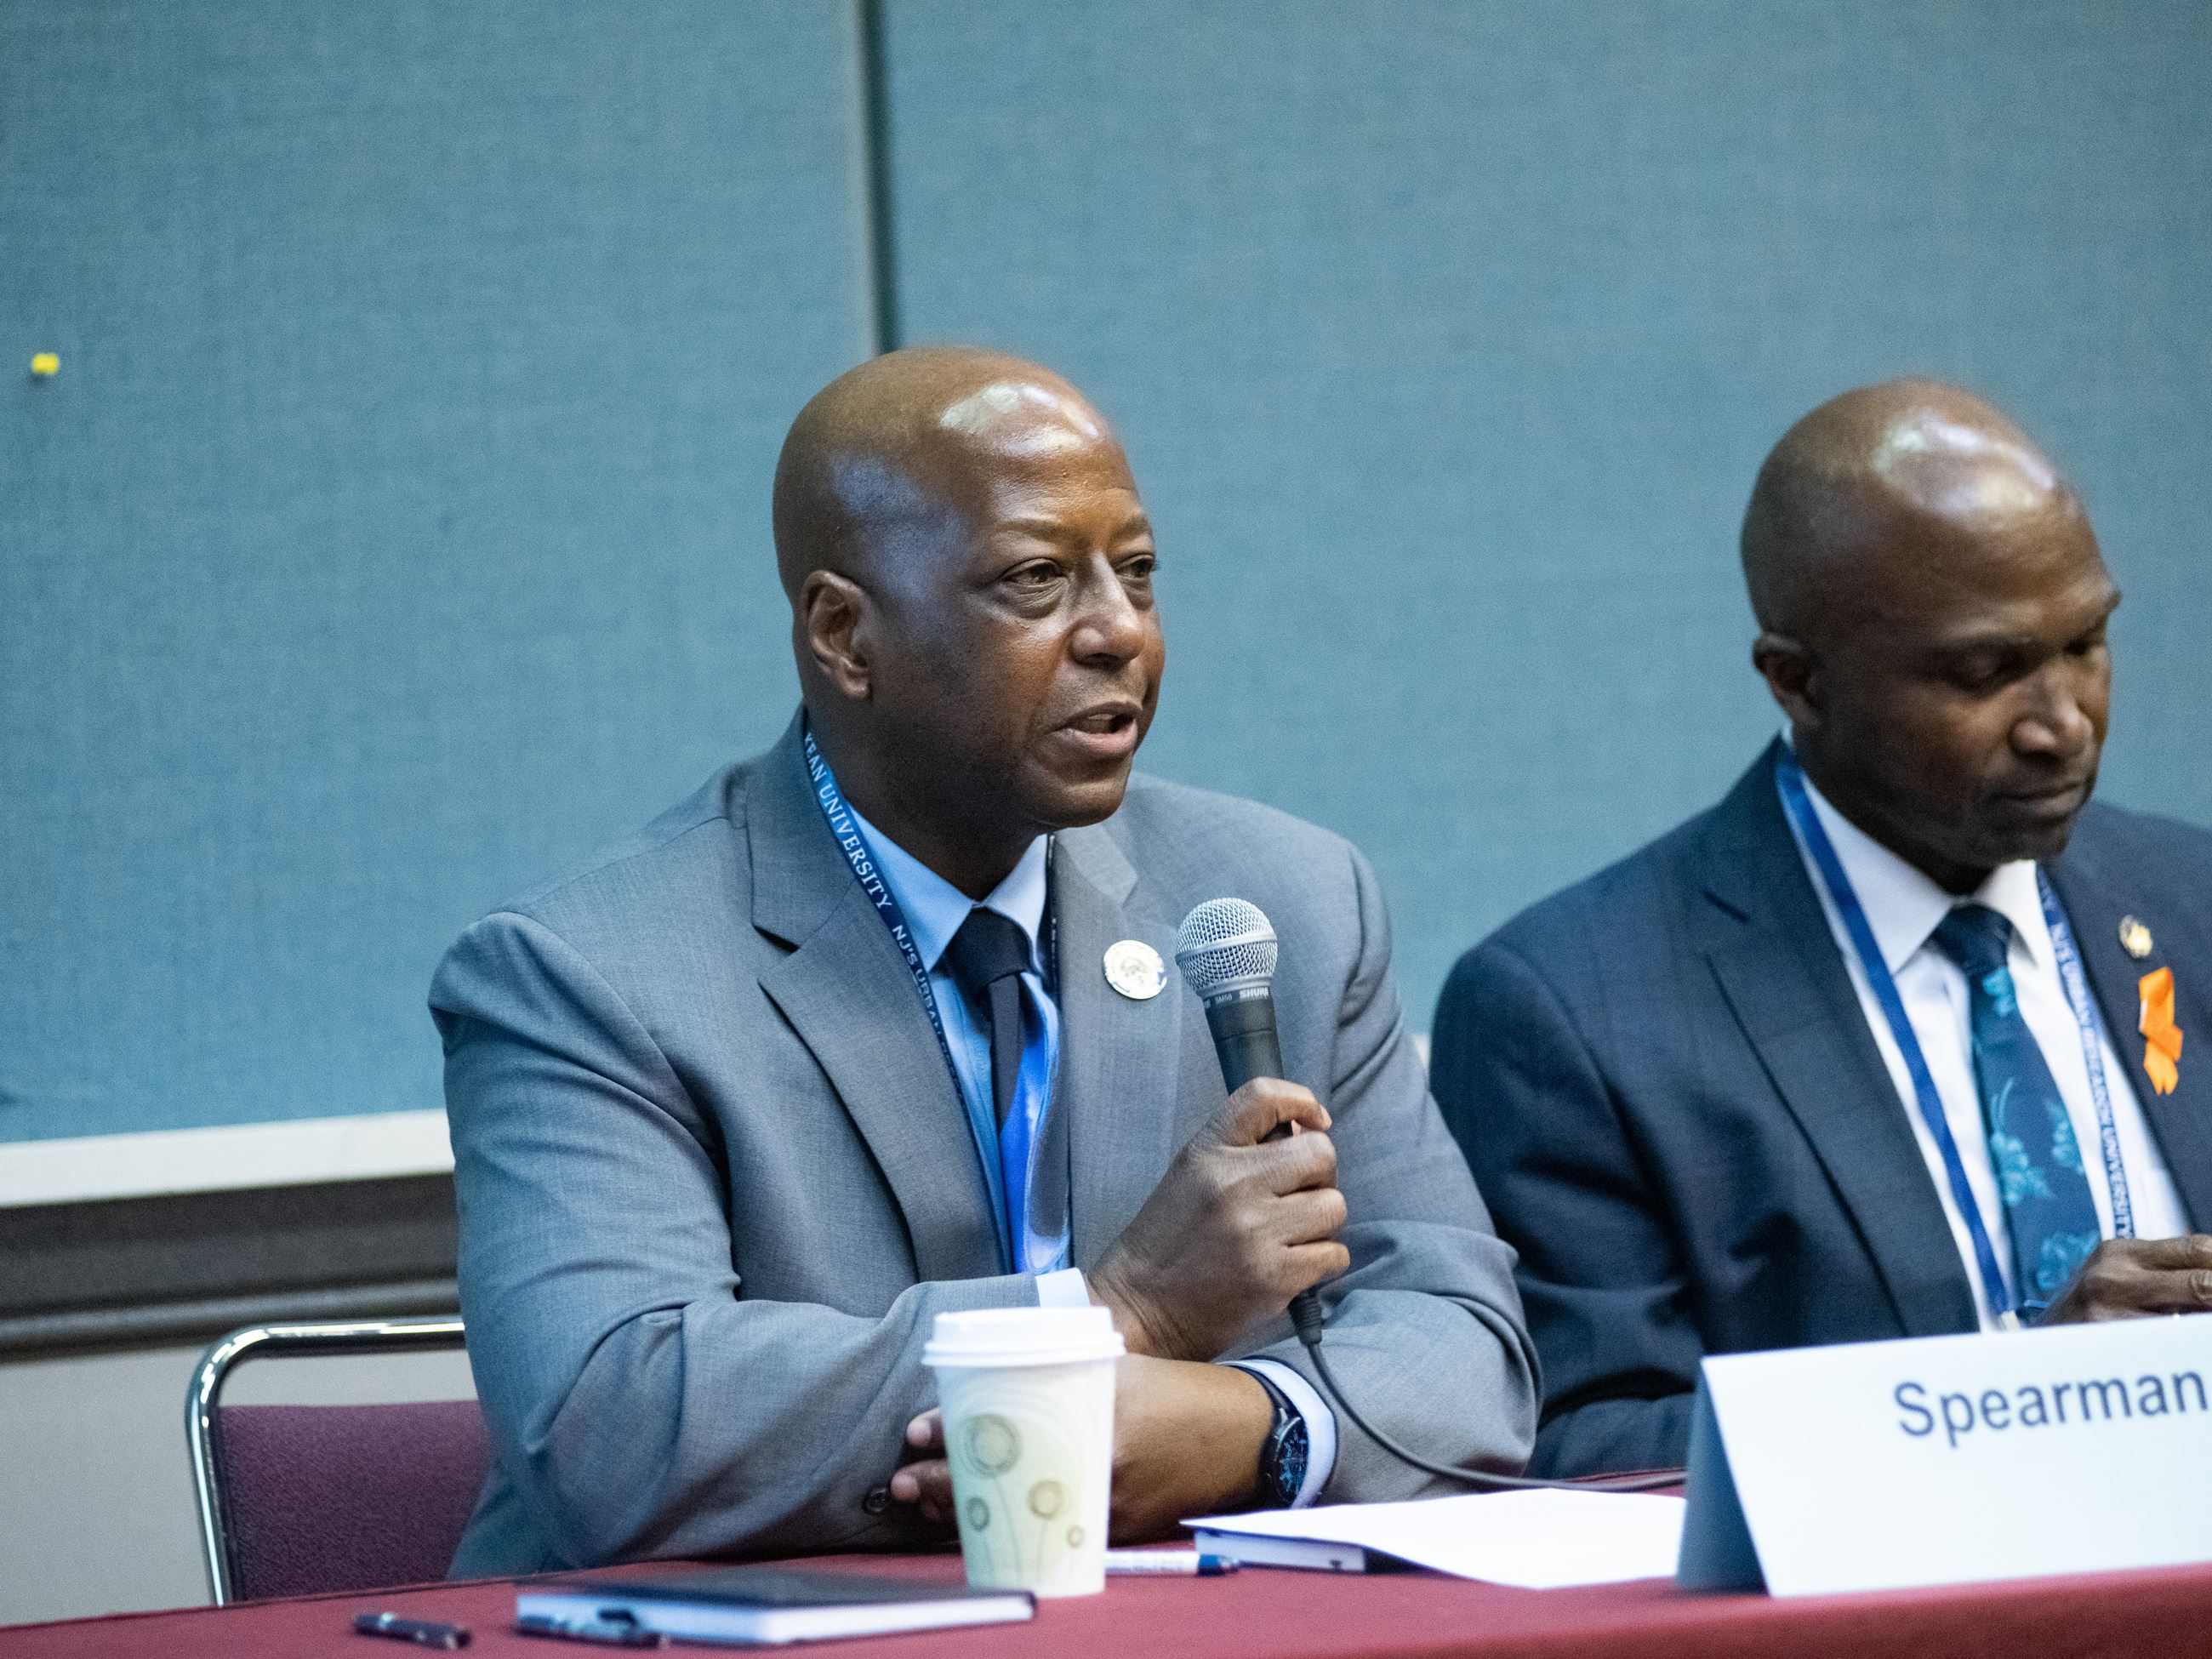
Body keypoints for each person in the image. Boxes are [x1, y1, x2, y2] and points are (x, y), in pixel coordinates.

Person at [433, 346, 1536, 1572]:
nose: (1117, 630)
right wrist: (1118, 1321)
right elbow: (616, 1421)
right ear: (845, 635)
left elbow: (1469, 1345)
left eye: (1138, 572)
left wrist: (1262, 1430)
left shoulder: (1287, 898)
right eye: (1035, 580)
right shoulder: (587, 971)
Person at [1430, 379, 2212, 1479]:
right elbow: (1578, 1441)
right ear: (1797, 681)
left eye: (2086, 642)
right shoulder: (1572, 1010)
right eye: (1985, 671)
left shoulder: (2191, 900)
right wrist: (2019, 1394)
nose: (2062, 722)